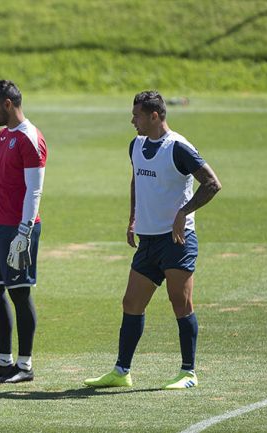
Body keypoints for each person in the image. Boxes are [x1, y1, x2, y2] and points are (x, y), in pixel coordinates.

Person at [84, 90, 221, 390]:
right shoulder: (136, 145)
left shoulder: (178, 148)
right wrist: (133, 217)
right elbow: (137, 179)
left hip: (177, 241)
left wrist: (184, 213)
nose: (132, 120)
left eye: (137, 115)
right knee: (131, 302)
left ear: (155, 116)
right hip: (148, 241)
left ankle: (188, 372)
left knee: (180, 303)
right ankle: (122, 371)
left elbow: (212, 183)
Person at [0, 80, 46, 384]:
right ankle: (5, 360)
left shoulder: (30, 138)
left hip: (20, 229)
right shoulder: (2, 135)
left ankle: (25, 364)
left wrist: (24, 231)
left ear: (7, 104)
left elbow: (35, 190)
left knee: (19, 293)